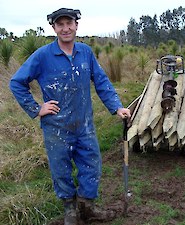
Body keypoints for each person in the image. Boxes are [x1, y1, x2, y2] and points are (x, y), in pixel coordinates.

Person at [9, 7, 131, 225]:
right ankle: (70, 212)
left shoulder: (85, 53)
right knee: (61, 168)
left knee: (91, 164)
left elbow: (101, 81)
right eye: (60, 24)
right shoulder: (43, 56)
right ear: (54, 28)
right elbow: (17, 82)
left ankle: (87, 207)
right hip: (56, 127)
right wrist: (37, 108)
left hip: (84, 125)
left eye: (69, 23)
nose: (66, 28)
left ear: (76, 25)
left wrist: (117, 107)